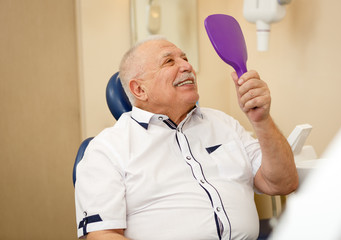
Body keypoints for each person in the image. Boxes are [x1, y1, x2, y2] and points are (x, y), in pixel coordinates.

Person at [75, 36, 298, 240]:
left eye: (185, 58)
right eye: (169, 62)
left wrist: (261, 121)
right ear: (139, 89)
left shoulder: (224, 124)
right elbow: (102, 235)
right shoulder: (105, 150)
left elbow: (283, 182)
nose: (187, 66)